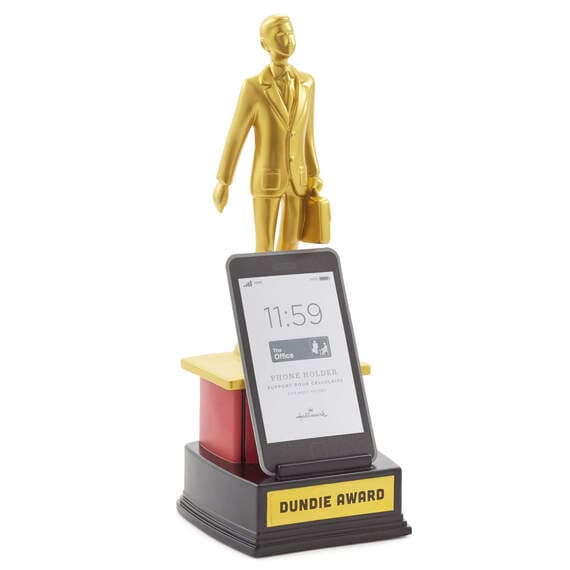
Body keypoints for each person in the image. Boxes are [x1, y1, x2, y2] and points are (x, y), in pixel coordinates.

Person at [213, 15, 324, 251]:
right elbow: (236, 136)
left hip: (298, 180)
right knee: (263, 248)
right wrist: (224, 181)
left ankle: (289, 277)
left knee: (291, 248)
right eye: (280, 35)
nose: (288, 40)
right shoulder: (253, 87)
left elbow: (308, 135)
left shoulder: (307, 83)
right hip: (267, 178)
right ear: (265, 44)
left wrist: (314, 173)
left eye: (290, 33)